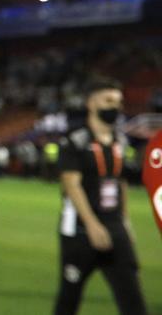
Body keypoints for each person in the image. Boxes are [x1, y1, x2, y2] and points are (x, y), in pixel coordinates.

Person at [53, 78, 145, 315]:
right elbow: (72, 186)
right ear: (91, 104)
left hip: (115, 229)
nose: (115, 107)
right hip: (80, 231)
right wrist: (92, 225)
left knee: (133, 301)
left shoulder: (121, 142)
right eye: (108, 100)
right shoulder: (75, 142)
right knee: (68, 301)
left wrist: (125, 221)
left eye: (118, 102)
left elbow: (120, 181)